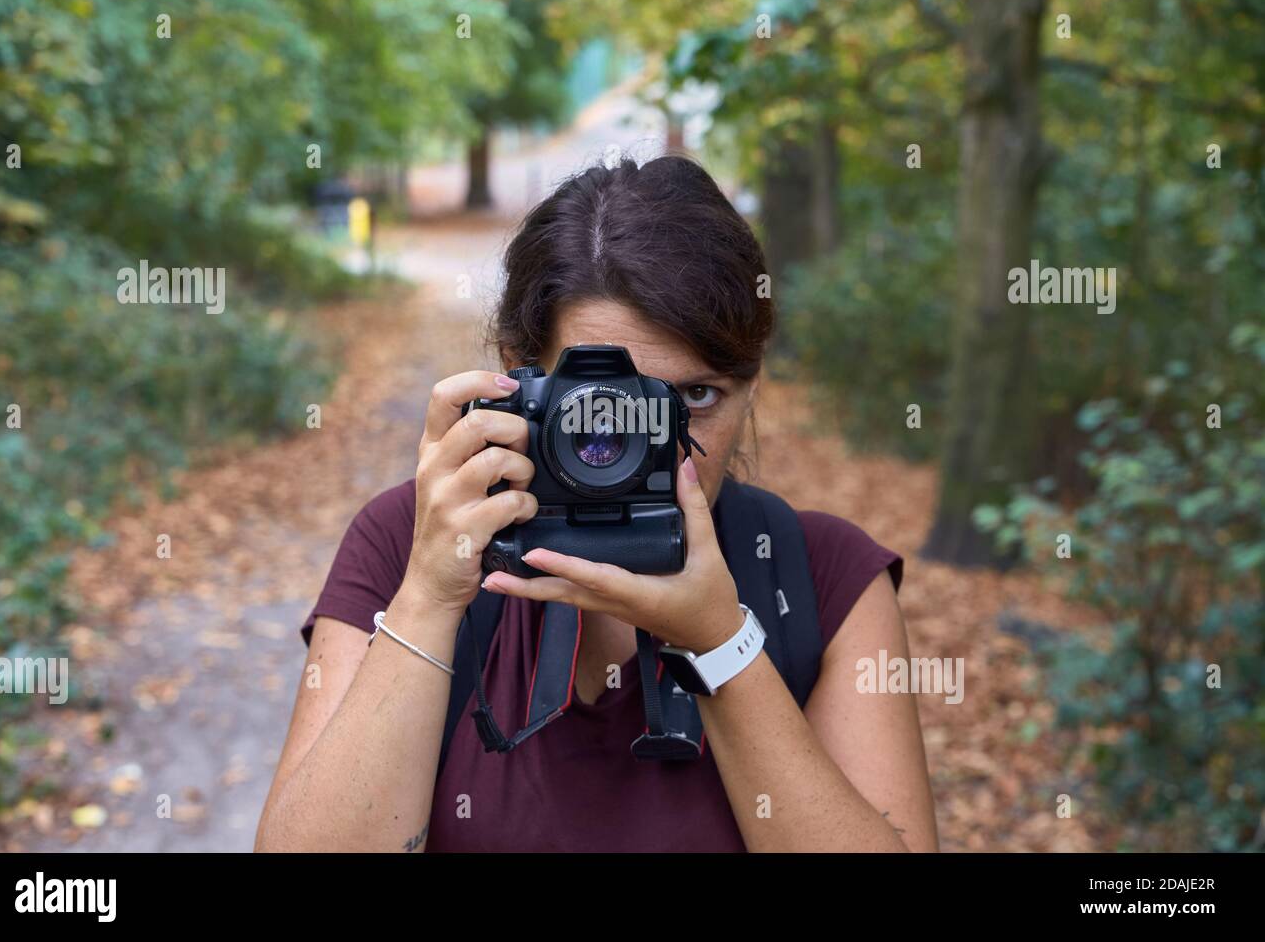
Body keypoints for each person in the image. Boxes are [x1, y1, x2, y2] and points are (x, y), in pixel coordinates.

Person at [256, 155, 939, 852]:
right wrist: (430, 597)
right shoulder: (408, 543)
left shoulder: (820, 577)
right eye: (603, 407)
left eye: (694, 398)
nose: (650, 445)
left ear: (751, 386)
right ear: (518, 376)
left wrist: (722, 646)